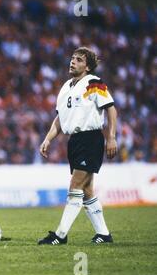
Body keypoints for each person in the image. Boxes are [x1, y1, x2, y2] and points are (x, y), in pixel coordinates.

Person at [38, 47, 117, 245]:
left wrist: (112, 137)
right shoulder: (66, 87)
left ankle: (60, 235)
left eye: (79, 60)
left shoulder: (94, 83)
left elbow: (111, 109)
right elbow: (59, 119)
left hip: (91, 139)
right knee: (87, 190)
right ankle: (104, 234)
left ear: (87, 66)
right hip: (74, 140)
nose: (73, 61)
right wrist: (48, 139)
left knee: (75, 186)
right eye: (72, 58)